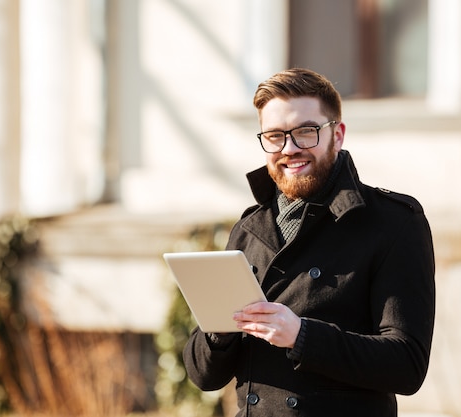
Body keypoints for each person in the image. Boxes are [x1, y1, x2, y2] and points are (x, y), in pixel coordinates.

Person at [183, 68, 435, 416]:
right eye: (274, 136)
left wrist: (302, 336)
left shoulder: (393, 223)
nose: (289, 149)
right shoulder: (248, 228)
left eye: (305, 132)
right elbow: (203, 376)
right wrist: (220, 331)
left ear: (338, 134)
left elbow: (407, 365)